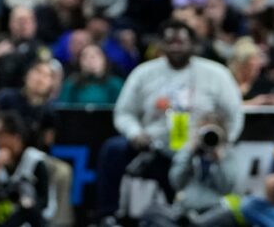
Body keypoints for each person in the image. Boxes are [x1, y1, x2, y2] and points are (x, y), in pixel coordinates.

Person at [95, 20, 244, 218]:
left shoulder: (216, 74)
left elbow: (235, 114)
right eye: (170, 41)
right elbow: (123, 112)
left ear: (193, 44)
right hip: (153, 147)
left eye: (181, 41)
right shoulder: (144, 73)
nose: (175, 46)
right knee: (113, 149)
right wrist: (136, 133)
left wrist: (220, 143)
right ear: (161, 44)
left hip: (196, 152)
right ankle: (108, 215)